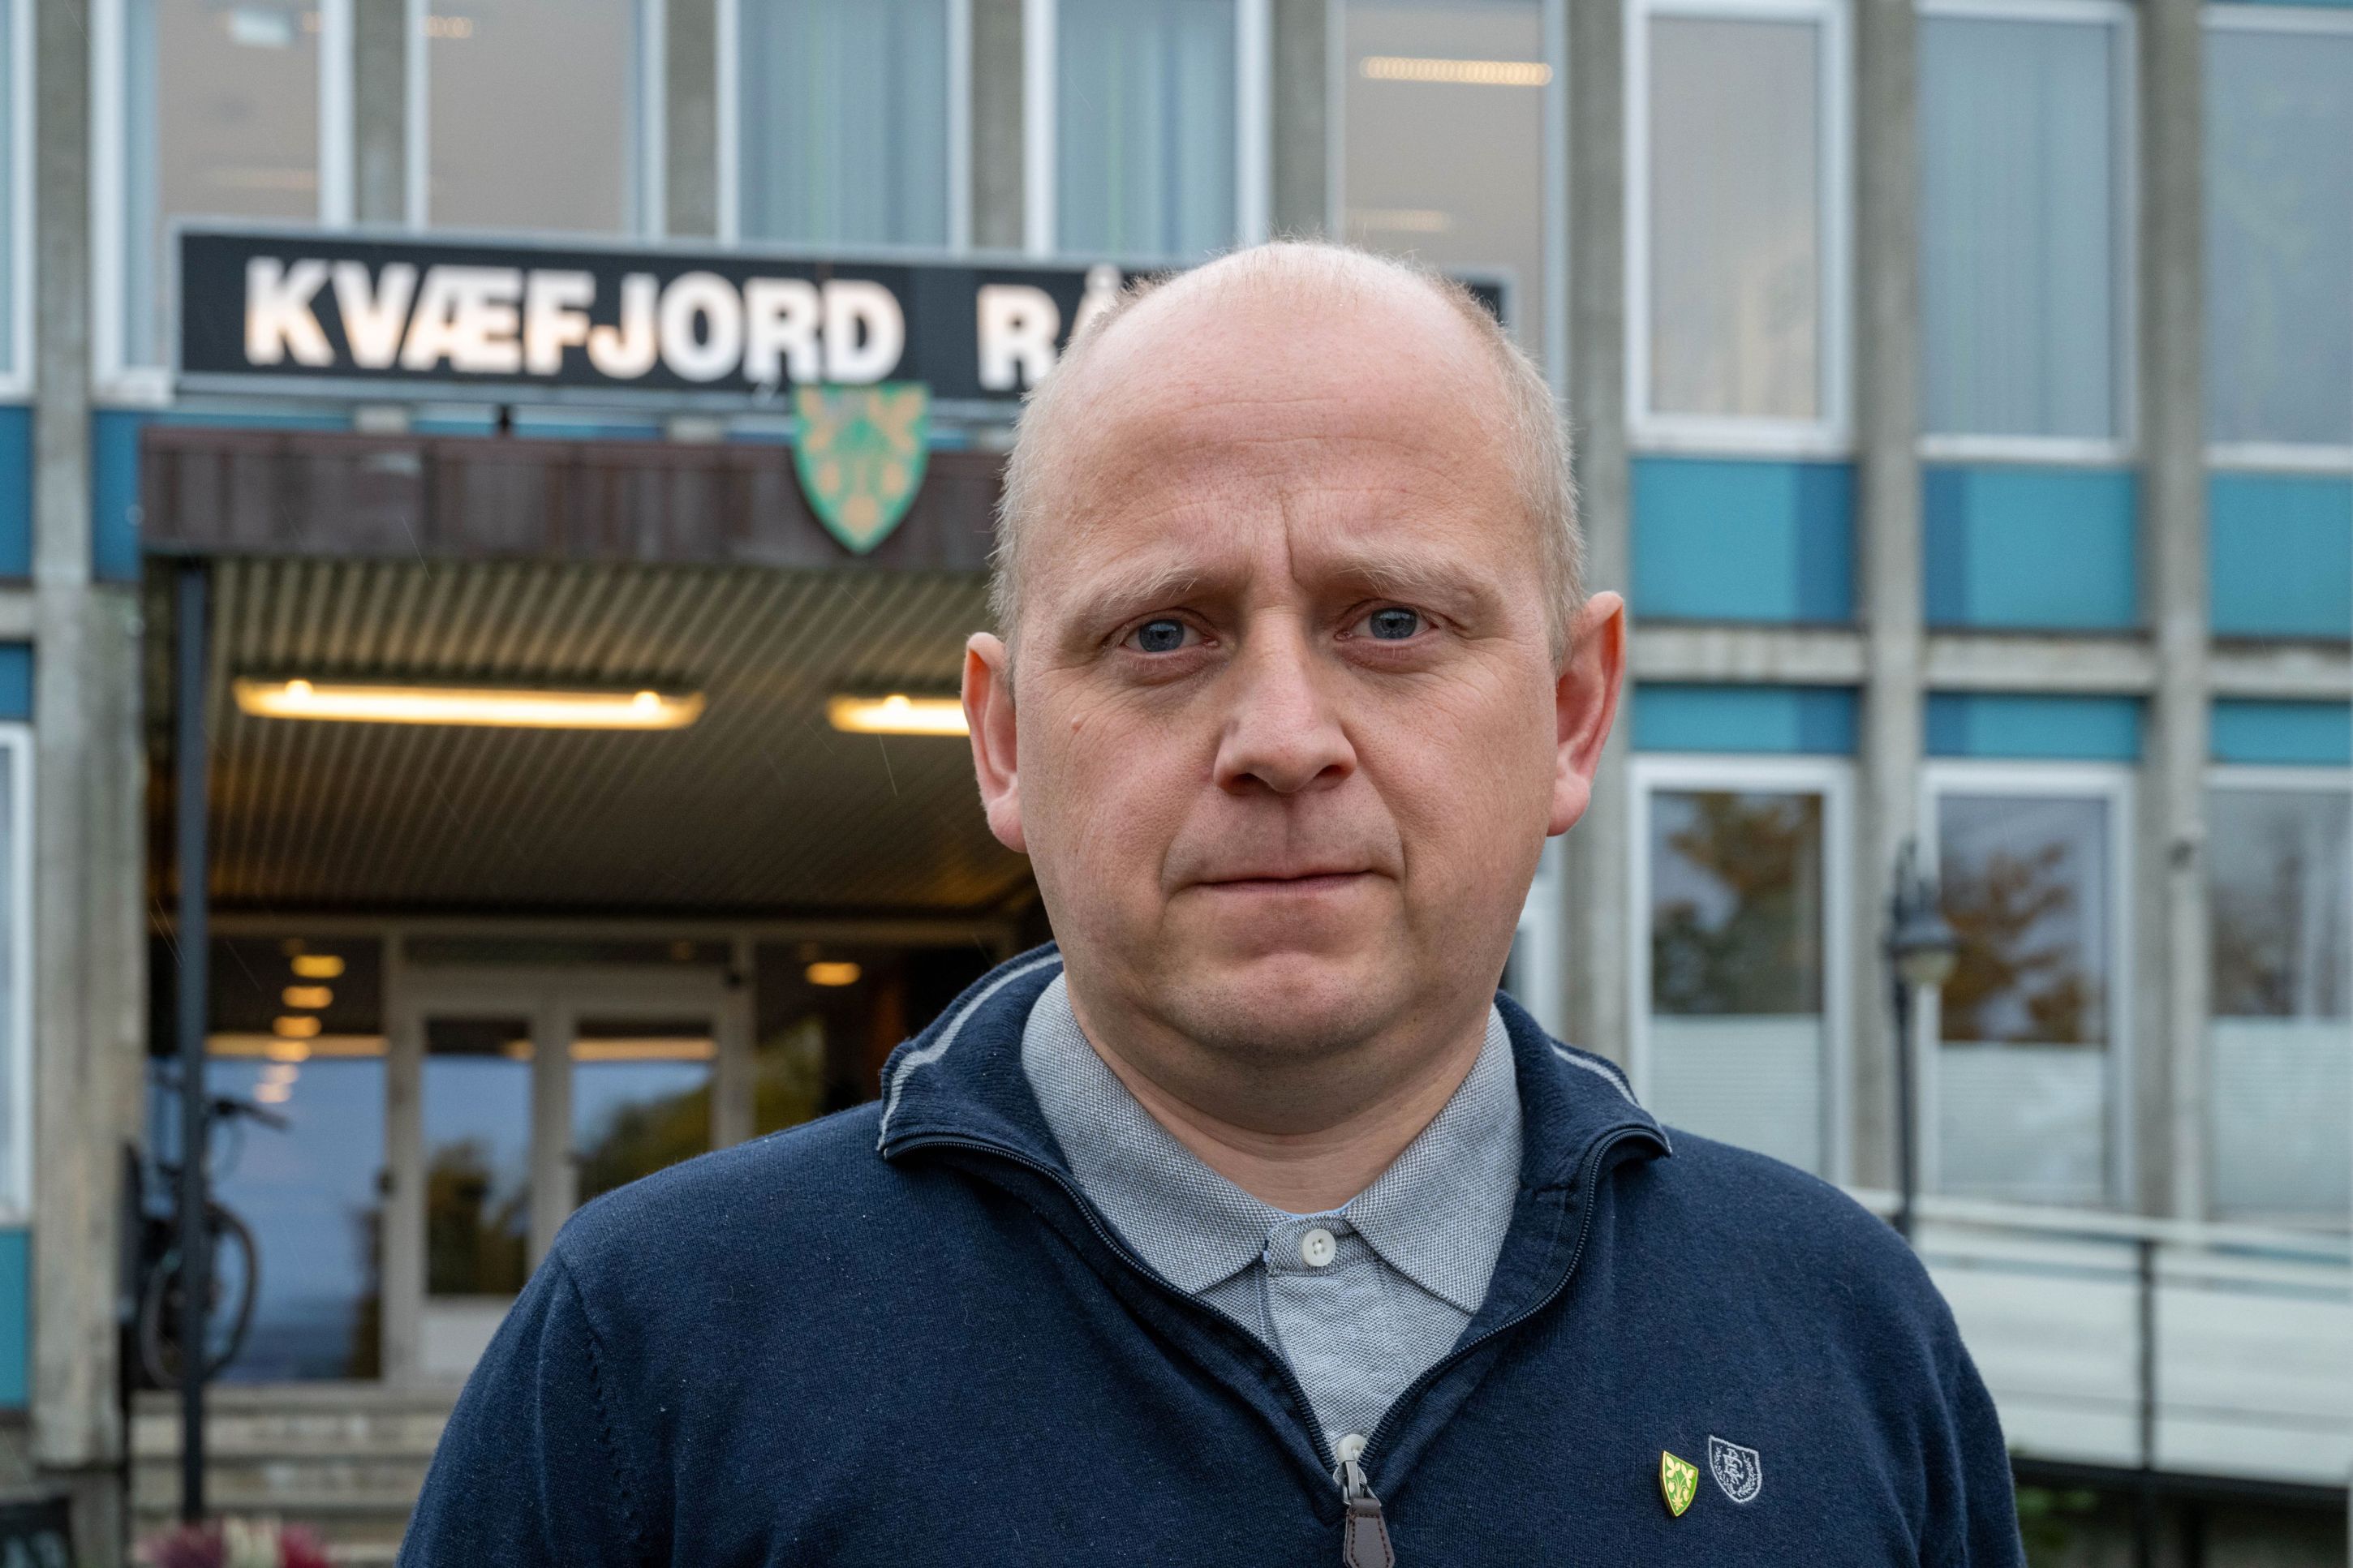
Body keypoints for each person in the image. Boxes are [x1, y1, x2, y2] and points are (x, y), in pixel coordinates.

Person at [398, 242, 2024, 1566]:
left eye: (1390, 619)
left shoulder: (1844, 1336)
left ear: (1571, 712)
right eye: (1164, 633)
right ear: (1005, 740)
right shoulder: (649, 1351)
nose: (1283, 738)